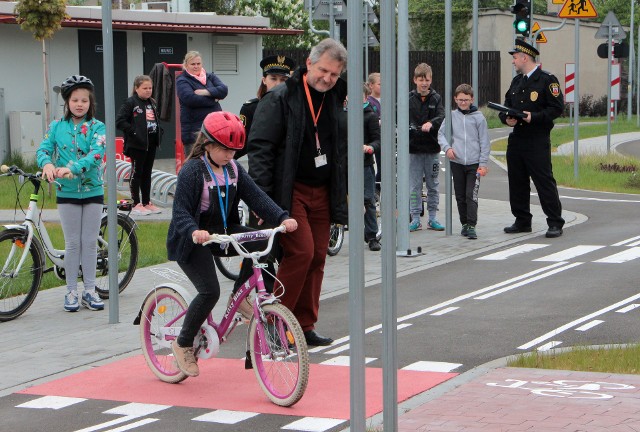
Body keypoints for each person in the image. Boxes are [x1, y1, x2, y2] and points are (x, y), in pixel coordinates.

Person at [167, 111, 297, 377]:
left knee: (265, 244)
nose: (230, 156)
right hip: (193, 239)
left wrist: (283, 217)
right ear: (207, 144)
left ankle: (240, 295)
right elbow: (180, 211)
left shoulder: (234, 169)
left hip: (224, 232)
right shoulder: (193, 171)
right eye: (225, 150)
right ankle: (182, 344)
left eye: (235, 151)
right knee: (208, 291)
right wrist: (194, 231)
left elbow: (257, 198)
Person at [247, 38, 348, 347]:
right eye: (323, 71)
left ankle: (303, 325)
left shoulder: (335, 98)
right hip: (289, 190)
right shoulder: (280, 98)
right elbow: (261, 149)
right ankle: (276, 323)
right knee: (301, 252)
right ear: (309, 63)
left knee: (318, 256)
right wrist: (261, 200)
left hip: (322, 190)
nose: (328, 79)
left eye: (334, 74)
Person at [36, 75, 106, 312]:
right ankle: (71, 293)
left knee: (89, 243)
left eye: (84, 100)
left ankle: (90, 290)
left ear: (90, 102)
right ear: (67, 102)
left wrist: (73, 168)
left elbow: (97, 154)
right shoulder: (56, 127)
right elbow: (43, 148)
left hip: (93, 191)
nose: (79, 104)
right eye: (75, 99)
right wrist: (46, 163)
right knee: (73, 243)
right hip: (66, 193)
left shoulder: (97, 127)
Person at [500, 39, 565, 238]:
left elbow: (556, 108)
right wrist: (507, 119)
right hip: (518, 137)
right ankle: (522, 220)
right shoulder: (517, 81)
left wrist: (533, 117)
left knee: (543, 181)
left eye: (515, 58)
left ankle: (555, 222)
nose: (513, 62)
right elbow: (506, 105)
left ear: (524, 57)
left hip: (537, 138)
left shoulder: (547, 80)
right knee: (517, 181)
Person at [438, 84, 490, 240]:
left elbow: (484, 142)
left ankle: (472, 225)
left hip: (474, 163)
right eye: (460, 100)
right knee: (460, 195)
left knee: (470, 195)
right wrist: (447, 148)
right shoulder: (452, 116)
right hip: (457, 162)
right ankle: (464, 224)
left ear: (472, 99)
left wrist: (483, 163)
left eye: (466, 100)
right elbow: (441, 134)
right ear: (455, 99)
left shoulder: (479, 118)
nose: (463, 102)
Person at [337, 84, 381, 251]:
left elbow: (377, 140)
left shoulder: (370, 116)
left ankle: (372, 236)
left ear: (365, 97)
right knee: (339, 197)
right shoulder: (341, 114)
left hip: (363, 164)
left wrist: (370, 147)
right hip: (343, 163)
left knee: (367, 199)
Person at [116, 75, 162, 216]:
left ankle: (147, 202)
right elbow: (120, 121)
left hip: (151, 143)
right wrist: (134, 132)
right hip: (137, 144)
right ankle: (136, 203)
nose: (148, 91)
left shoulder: (152, 102)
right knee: (137, 173)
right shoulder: (130, 102)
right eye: (145, 88)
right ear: (136, 88)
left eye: (150, 88)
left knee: (147, 173)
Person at [408, 63, 445, 232]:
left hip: (432, 149)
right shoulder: (408, 98)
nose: (424, 83)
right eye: (421, 80)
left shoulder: (436, 98)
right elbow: (399, 114)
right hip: (413, 150)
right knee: (414, 186)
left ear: (431, 80)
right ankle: (415, 218)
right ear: (415, 80)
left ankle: (432, 218)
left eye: (427, 80)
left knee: (433, 185)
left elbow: (441, 115)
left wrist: (431, 123)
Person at [237, 54, 296, 160]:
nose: (278, 84)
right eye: (273, 78)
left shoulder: (296, 107)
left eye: (283, 79)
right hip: (261, 166)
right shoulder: (251, 108)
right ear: (264, 80)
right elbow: (243, 143)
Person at [176, 51, 228, 157]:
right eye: (192, 64)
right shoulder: (182, 81)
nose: (196, 66)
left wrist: (205, 92)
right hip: (194, 133)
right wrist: (214, 99)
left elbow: (224, 90)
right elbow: (190, 99)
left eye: (198, 63)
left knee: (212, 164)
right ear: (186, 65)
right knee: (195, 165)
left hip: (214, 130)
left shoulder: (210, 76)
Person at [366, 72, 382, 190]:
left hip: (385, 137)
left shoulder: (386, 99)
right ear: (371, 85)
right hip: (375, 138)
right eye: (380, 84)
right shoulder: (369, 101)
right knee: (377, 166)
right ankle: (376, 189)